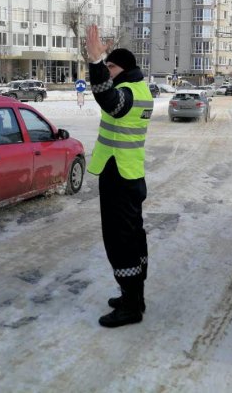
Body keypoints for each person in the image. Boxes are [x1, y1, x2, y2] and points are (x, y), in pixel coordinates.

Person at [85, 24, 154, 328]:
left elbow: (108, 100)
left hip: (119, 176)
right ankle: (134, 295)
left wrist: (96, 62)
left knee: (120, 239)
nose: (108, 70)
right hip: (130, 173)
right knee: (133, 236)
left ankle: (130, 306)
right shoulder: (140, 89)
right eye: (107, 66)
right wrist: (102, 63)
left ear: (122, 68)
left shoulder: (126, 93)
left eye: (112, 66)